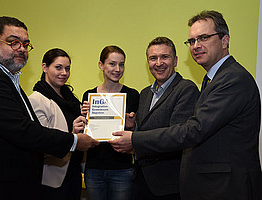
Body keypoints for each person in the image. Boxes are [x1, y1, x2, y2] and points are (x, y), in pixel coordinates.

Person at [109, 10, 262, 200]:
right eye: (192, 41)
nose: (196, 46)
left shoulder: (232, 79)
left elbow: (194, 130)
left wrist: (135, 140)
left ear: (224, 41)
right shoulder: (213, 79)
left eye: (204, 38)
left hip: (226, 187)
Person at [0, 16, 98, 200]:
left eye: (26, 44)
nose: (22, 49)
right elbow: (23, 130)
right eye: (13, 42)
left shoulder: (7, 78)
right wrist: (74, 141)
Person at [129, 37, 199, 200]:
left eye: (165, 57)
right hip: (141, 180)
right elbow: (146, 129)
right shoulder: (145, 93)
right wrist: (133, 126)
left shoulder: (186, 89)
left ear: (175, 61)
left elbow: (177, 136)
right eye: (153, 58)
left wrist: (133, 139)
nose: (158, 63)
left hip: (168, 185)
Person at [81, 45, 139, 200]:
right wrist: (84, 119)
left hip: (122, 168)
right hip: (94, 168)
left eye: (121, 64)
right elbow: (84, 133)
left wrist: (132, 125)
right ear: (101, 65)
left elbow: (138, 135)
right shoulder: (89, 95)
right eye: (112, 64)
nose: (118, 69)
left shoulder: (132, 95)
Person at [29, 48, 84, 200]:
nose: (64, 73)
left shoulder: (71, 99)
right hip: (51, 178)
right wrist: (72, 135)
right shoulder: (36, 100)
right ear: (45, 67)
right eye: (58, 67)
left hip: (74, 171)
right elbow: (41, 143)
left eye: (67, 68)